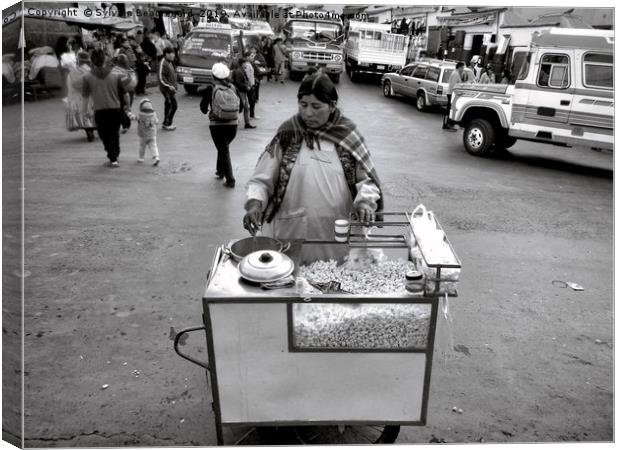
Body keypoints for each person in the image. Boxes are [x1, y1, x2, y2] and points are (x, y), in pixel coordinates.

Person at [243, 74, 383, 262]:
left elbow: (367, 180)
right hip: (292, 230)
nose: (308, 113)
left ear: (332, 105)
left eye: (316, 106)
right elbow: (261, 178)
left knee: (335, 280)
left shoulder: (348, 136)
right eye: (303, 105)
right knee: (292, 280)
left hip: (338, 233)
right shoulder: (287, 134)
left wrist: (365, 202)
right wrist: (255, 204)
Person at [82, 49, 131, 167]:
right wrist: (128, 107)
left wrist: (85, 111)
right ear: (105, 60)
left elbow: (85, 97)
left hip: (100, 110)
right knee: (114, 133)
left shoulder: (87, 77)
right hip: (115, 109)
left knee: (104, 134)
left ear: (92, 62)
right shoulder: (115, 75)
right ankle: (115, 155)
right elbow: (125, 94)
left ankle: (112, 156)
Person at [199, 62, 240, 188]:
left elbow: (203, 108)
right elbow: (242, 105)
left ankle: (230, 179)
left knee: (223, 150)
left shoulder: (211, 88)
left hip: (217, 125)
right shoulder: (233, 87)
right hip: (233, 125)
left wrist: (208, 110)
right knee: (223, 148)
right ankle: (220, 170)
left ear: (213, 76)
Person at [65, 51, 96, 142]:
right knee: (91, 114)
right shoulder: (91, 71)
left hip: (78, 97)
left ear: (78, 61)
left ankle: (89, 131)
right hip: (90, 97)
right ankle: (92, 130)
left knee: (84, 115)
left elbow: (70, 85)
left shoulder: (72, 72)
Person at [131, 98, 160, 166]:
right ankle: (156, 157)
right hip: (152, 134)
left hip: (143, 135)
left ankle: (141, 158)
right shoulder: (153, 114)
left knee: (142, 146)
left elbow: (133, 118)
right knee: (153, 146)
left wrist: (128, 113)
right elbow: (157, 121)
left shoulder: (140, 115)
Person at [231, 58, 255, 129]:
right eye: (245, 63)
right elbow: (238, 83)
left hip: (243, 91)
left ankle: (247, 123)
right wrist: (246, 86)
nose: (246, 64)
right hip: (241, 92)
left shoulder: (241, 70)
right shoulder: (239, 71)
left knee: (246, 107)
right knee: (240, 107)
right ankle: (236, 122)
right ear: (242, 63)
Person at [158, 47, 178, 131]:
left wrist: (175, 86)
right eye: (172, 53)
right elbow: (161, 78)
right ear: (166, 54)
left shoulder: (170, 62)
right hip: (166, 89)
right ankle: (166, 124)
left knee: (171, 105)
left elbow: (172, 75)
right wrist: (169, 86)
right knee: (171, 105)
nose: (173, 55)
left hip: (171, 89)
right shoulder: (163, 63)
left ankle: (167, 123)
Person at [442, 61, 465, 130]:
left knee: (449, 109)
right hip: (451, 94)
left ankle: (448, 124)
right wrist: (458, 93)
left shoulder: (455, 73)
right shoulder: (455, 74)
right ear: (459, 67)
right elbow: (453, 85)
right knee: (449, 110)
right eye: (463, 67)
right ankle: (446, 124)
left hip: (451, 93)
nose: (463, 69)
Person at [242, 53, 258, 120]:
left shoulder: (249, 64)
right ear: (247, 57)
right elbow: (247, 76)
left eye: (253, 56)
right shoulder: (247, 65)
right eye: (251, 56)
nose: (253, 57)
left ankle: (251, 115)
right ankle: (250, 115)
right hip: (250, 85)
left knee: (252, 100)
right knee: (251, 101)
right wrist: (250, 85)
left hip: (251, 84)